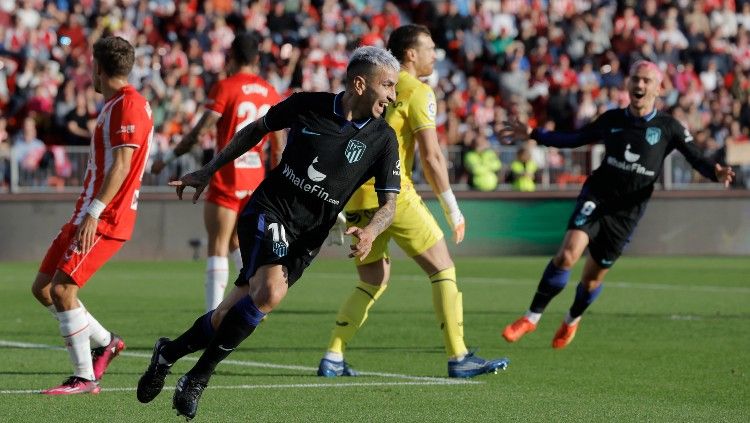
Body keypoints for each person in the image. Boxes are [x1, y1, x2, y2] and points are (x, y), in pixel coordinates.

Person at [136, 46, 402, 420]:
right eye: (388, 85)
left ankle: (167, 354)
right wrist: (209, 170)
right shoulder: (307, 104)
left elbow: (389, 204)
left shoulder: (384, 138)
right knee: (270, 292)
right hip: (269, 210)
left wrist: (373, 230)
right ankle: (197, 378)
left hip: (308, 238)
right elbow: (255, 131)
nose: (393, 95)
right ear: (360, 83)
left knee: (228, 313)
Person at [500, 60, 735, 349]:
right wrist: (535, 133)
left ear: (659, 89)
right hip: (597, 197)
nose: (639, 85)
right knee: (567, 255)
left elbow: (695, 156)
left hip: (626, 214)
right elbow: (575, 138)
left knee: (590, 281)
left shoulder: (669, 127)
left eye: (647, 81)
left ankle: (571, 319)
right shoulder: (611, 120)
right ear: (627, 84)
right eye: (635, 79)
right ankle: (531, 318)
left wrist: (716, 172)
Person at [317, 24, 508, 379]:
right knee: (443, 267)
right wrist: (452, 208)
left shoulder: (365, 85)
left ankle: (333, 355)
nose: (435, 55)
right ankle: (458, 356)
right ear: (411, 55)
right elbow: (433, 158)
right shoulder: (418, 91)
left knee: (373, 279)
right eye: (430, 48)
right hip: (394, 195)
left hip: (356, 196)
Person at [30, 36, 154, 394]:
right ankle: (106, 341)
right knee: (44, 289)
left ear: (99, 68)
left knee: (64, 290)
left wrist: (95, 213)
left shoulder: (128, 105)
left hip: (104, 216)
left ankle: (84, 377)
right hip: (87, 212)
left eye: (92, 67)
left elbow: (122, 165)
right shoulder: (117, 103)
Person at [151, 32, 284, 312]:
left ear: (231, 57)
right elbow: (279, 147)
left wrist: (168, 157)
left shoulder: (225, 87)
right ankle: (253, 299)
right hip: (255, 179)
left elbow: (200, 132)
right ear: (257, 58)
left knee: (218, 243)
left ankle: (213, 314)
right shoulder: (270, 92)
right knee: (240, 242)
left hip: (226, 175)